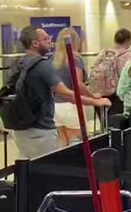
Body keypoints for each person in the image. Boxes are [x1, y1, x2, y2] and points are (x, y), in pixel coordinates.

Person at [8, 26, 110, 160]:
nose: (50, 41)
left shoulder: (18, 63)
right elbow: (66, 93)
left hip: (21, 129)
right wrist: (96, 101)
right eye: (46, 38)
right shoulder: (42, 65)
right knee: (58, 161)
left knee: (30, 168)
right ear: (35, 43)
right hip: (41, 130)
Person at [51, 28, 102, 145]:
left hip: (55, 106)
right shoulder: (75, 59)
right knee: (77, 144)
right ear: (75, 41)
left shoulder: (53, 60)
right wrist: (93, 96)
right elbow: (78, 85)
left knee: (63, 144)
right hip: (72, 106)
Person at [89, 28, 131, 117]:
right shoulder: (128, 55)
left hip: (99, 94)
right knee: (116, 124)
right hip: (117, 96)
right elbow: (127, 77)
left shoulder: (104, 52)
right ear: (128, 40)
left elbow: (93, 67)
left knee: (104, 123)